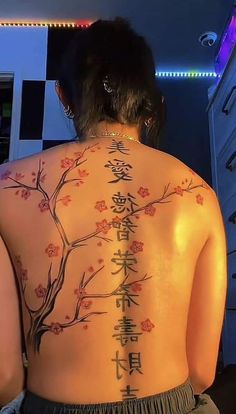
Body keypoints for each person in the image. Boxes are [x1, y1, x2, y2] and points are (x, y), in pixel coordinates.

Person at [0, 17, 227, 414]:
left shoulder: (8, 187)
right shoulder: (198, 195)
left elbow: (4, 380)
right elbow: (201, 372)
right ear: (150, 102)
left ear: (64, 97)